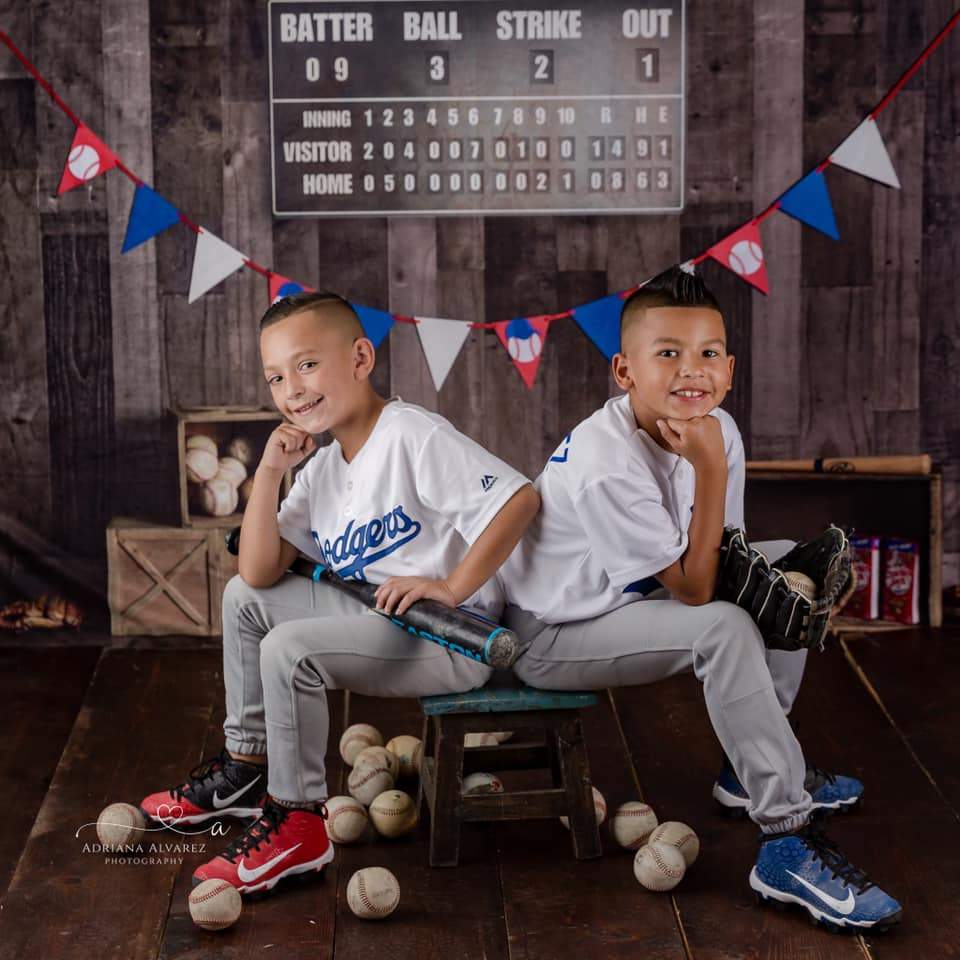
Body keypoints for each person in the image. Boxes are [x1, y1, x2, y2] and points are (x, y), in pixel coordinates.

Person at [499, 266, 901, 932]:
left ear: (731, 367)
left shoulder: (717, 429)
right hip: (553, 632)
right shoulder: (609, 462)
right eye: (668, 354)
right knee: (722, 625)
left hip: (625, 598)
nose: (693, 371)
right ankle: (785, 839)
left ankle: (756, 773)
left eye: (708, 353)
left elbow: (726, 555)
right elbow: (694, 590)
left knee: (784, 575)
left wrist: (722, 475)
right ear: (625, 373)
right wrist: (708, 469)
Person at [139, 291, 540, 895]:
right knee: (242, 603)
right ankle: (247, 772)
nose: (292, 389)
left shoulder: (410, 433)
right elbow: (258, 572)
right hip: (377, 618)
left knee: (289, 649)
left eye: (306, 364)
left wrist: (452, 585)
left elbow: (519, 499)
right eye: (276, 376)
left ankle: (299, 821)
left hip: (449, 639)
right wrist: (271, 472)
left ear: (360, 358)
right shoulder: (323, 467)